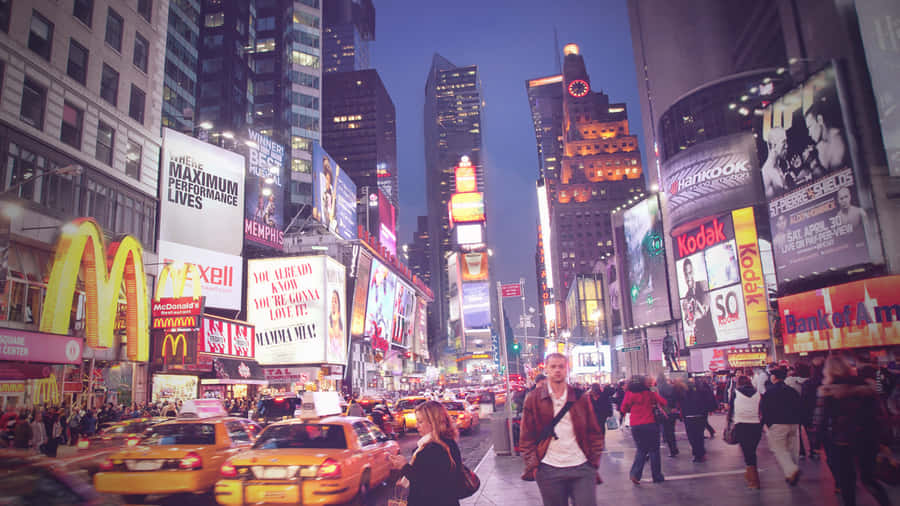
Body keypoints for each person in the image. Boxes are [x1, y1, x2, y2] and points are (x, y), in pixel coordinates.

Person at [519, 353, 604, 506]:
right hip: (549, 468)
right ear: (546, 370)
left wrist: (593, 461)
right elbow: (526, 436)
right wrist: (534, 465)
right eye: (553, 366)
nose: (557, 370)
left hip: (582, 466)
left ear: (566, 370)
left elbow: (595, 432)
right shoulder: (534, 398)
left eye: (561, 366)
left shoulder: (581, 397)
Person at [814, 356, 890, 506]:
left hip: (841, 441)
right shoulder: (867, 386)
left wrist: (817, 441)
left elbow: (820, 419)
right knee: (869, 479)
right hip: (868, 438)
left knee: (847, 482)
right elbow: (878, 414)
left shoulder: (827, 391)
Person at [389, 400, 462, 506]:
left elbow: (428, 485)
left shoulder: (433, 449)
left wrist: (404, 467)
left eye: (420, 421)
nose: (416, 425)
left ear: (433, 422)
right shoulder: (447, 443)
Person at [760, 366, 803, 485]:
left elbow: (764, 409)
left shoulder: (769, 392)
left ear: (773, 377)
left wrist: (766, 424)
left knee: (780, 450)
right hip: (793, 423)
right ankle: (791, 474)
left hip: (777, 424)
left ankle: (792, 470)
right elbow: (799, 406)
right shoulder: (792, 390)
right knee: (793, 449)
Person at [621, 375, 666, 484]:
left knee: (641, 449)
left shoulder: (629, 394)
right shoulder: (650, 393)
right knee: (654, 450)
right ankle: (657, 476)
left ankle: (635, 475)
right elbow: (663, 402)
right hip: (650, 424)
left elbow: (623, 408)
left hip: (636, 425)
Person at [731, 375, 763, 489]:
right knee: (752, 451)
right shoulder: (758, 393)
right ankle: (751, 476)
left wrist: (729, 423)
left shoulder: (735, 392)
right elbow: (761, 409)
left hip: (741, 424)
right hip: (756, 425)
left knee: (747, 452)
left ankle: (754, 481)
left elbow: (730, 409)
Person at [805, 97, 848, 172]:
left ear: (820, 120)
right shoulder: (821, 145)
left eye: (810, 127)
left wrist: (814, 165)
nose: (809, 133)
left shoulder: (838, 142)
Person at [681, 258, 716, 345]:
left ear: (693, 272)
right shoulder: (686, 296)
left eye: (690, 273)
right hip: (697, 340)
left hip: (710, 338)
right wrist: (688, 319)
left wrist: (692, 317)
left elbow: (703, 310)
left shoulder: (703, 284)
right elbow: (688, 321)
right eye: (686, 274)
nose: (688, 277)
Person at [681, 378, 717, 462]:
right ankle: (700, 454)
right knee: (699, 436)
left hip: (689, 417)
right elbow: (709, 401)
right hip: (699, 416)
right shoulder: (702, 391)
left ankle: (697, 454)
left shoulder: (684, 393)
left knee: (692, 437)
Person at [657, 373, 684, 457]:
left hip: (664, 411)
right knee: (671, 431)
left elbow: (658, 401)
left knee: (667, 432)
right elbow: (677, 398)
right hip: (672, 411)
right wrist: (675, 408)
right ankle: (674, 449)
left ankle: (673, 450)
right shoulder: (671, 387)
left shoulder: (657, 388)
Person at [761, 127, 788, 199]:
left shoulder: (779, 167)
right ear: (773, 145)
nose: (786, 146)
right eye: (784, 142)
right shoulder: (766, 174)